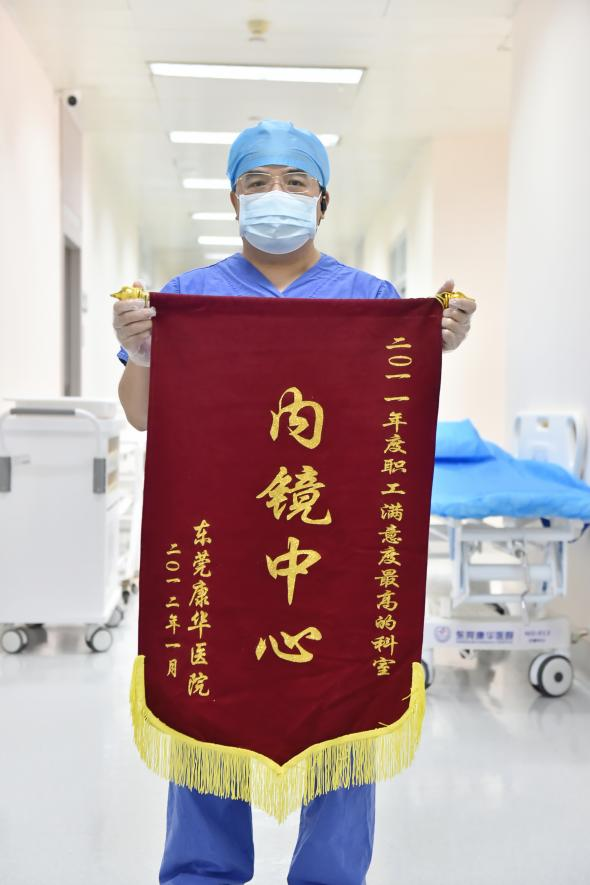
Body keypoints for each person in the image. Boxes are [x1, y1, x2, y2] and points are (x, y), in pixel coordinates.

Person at [113, 120, 475, 885]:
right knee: (208, 695)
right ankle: (203, 871)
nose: (275, 196)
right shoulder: (189, 298)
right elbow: (142, 415)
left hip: (334, 552)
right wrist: (142, 352)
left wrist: (432, 342)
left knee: (345, 701)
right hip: (224, 545)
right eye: (257, 183)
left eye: (294, 182)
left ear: (323, 199)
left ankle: (330, 875)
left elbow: (394, 422)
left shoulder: (370, 300)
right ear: (234, 198)